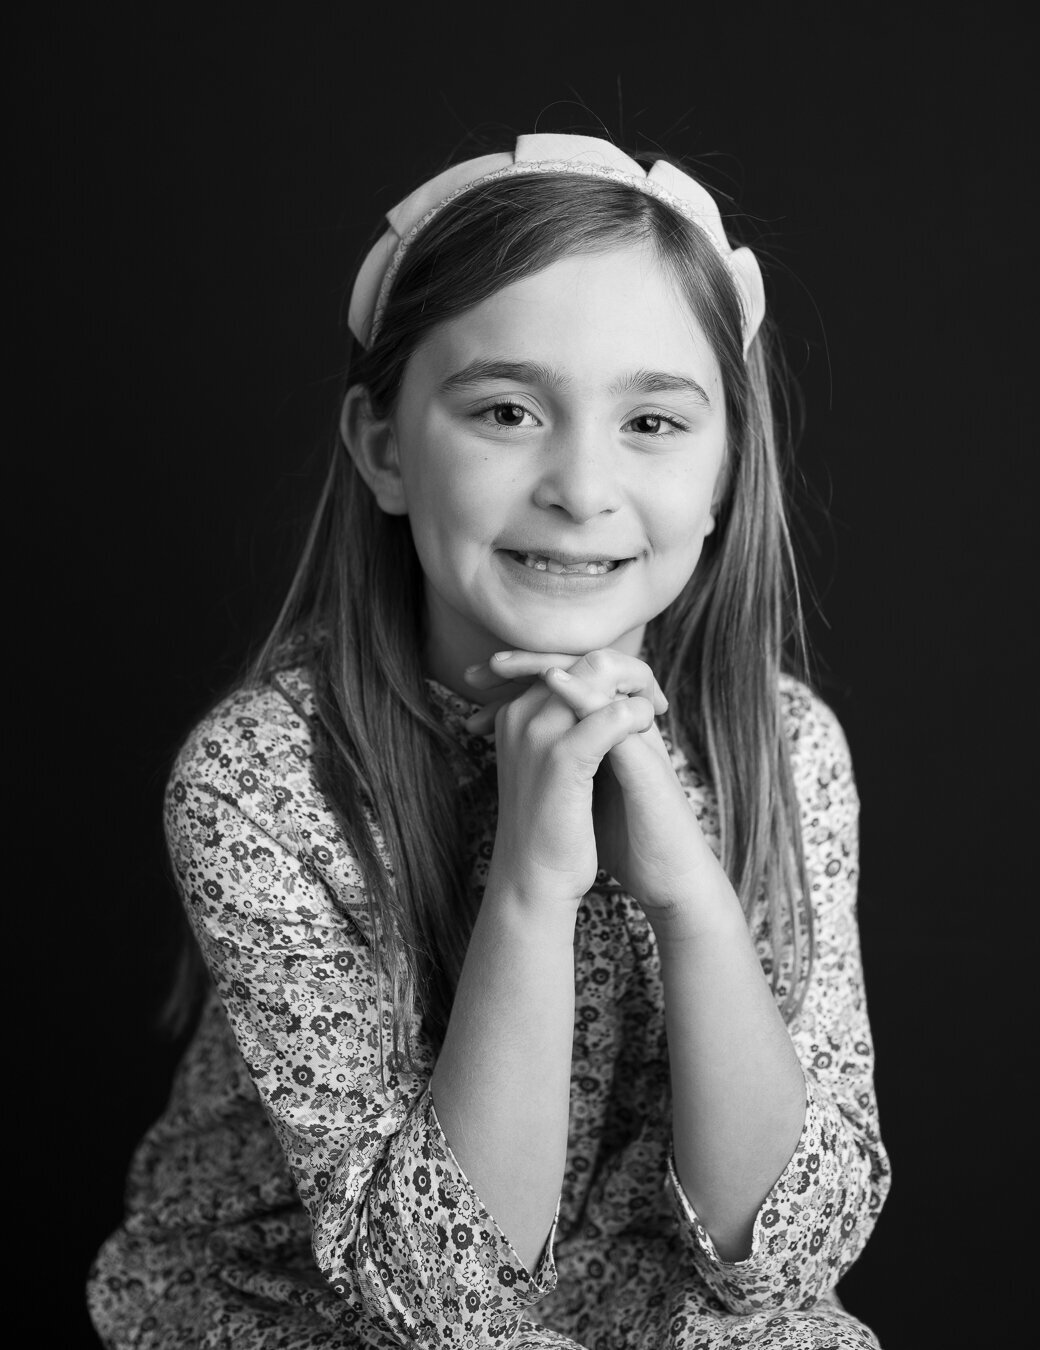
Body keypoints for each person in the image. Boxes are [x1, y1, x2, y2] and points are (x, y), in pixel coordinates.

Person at [87, 133, 890, 1349]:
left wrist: (687, 896)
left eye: (655, 423)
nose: (580, 484)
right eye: (507, 410)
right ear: (387, 450)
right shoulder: (264, 781)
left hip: (632, 1288)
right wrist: (531, 882)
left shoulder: (782, 748)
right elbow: (444, 1300)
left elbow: (780, 1256)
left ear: (725, 474)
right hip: (315, 1302)